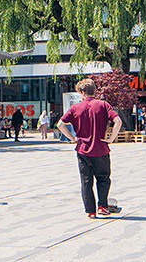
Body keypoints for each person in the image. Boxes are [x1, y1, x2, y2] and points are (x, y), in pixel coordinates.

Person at [58, 78, 121, 219]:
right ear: (94, 91)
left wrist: (72, 138)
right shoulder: (103, 105)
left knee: (86, 181)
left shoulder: (75, 107)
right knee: (103, 178)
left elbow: (60, 124)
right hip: (101, 149)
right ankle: (102, 206)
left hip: (83, 149)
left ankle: (90, 211)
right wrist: (111, 139)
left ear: (82, 92)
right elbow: (118, 121)